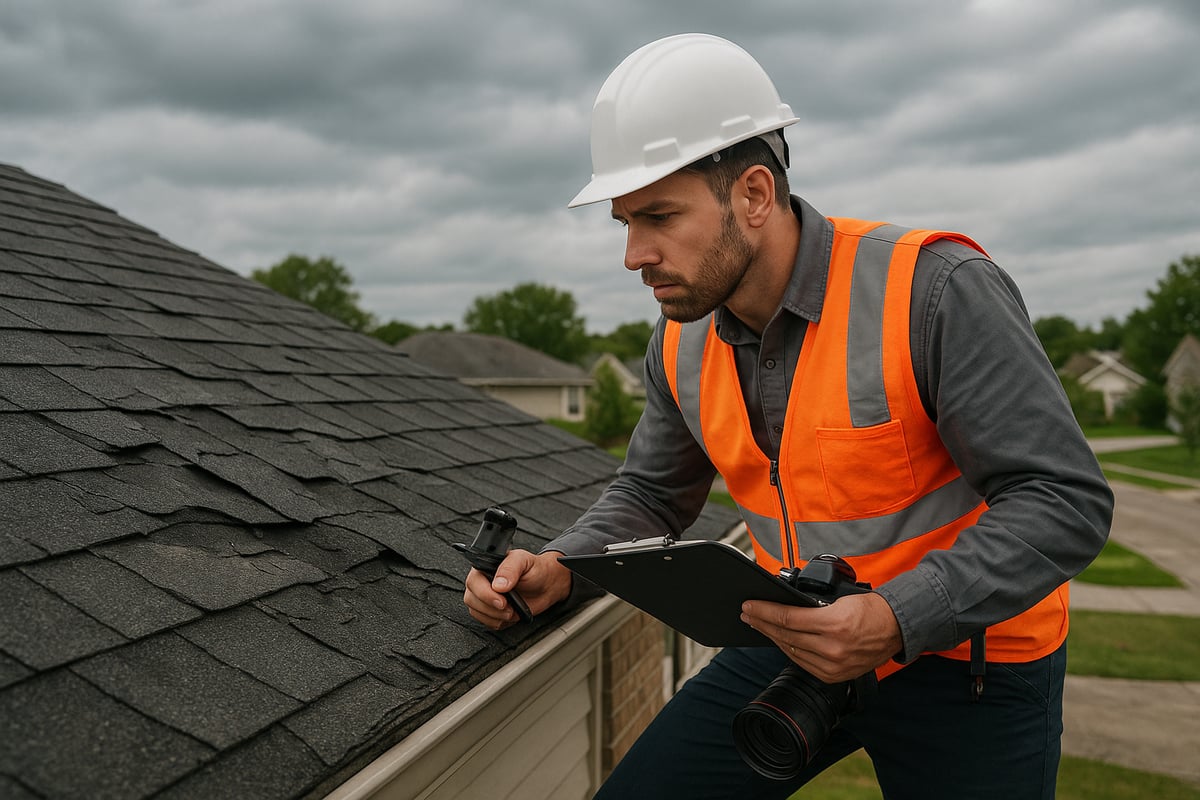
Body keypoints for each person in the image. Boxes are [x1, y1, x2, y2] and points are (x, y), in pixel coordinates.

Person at [463, 33, 1113, 799]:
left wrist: (895, 618)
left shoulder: (934, 293)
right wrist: (562, 567)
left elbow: (1064, 501)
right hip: (793, 636)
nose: (634, 254)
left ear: (755, 195)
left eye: (660, 217)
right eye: (624, 222)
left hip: (974, 665)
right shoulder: (679, 343)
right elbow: (651, 495)